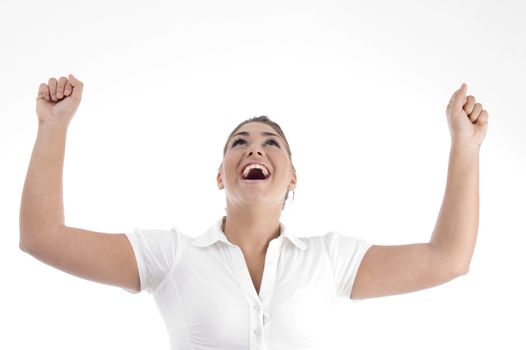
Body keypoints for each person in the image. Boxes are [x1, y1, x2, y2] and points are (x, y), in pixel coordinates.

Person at [19, 74, 489, 349]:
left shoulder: (329, 259)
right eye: (238, 144)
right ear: (220, 175)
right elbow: (43, 237)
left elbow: (448, 259)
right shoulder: (171, 255)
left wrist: (465, 147)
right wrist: (53, 126)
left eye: (270, 144)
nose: (253, 151)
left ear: (293, 177)